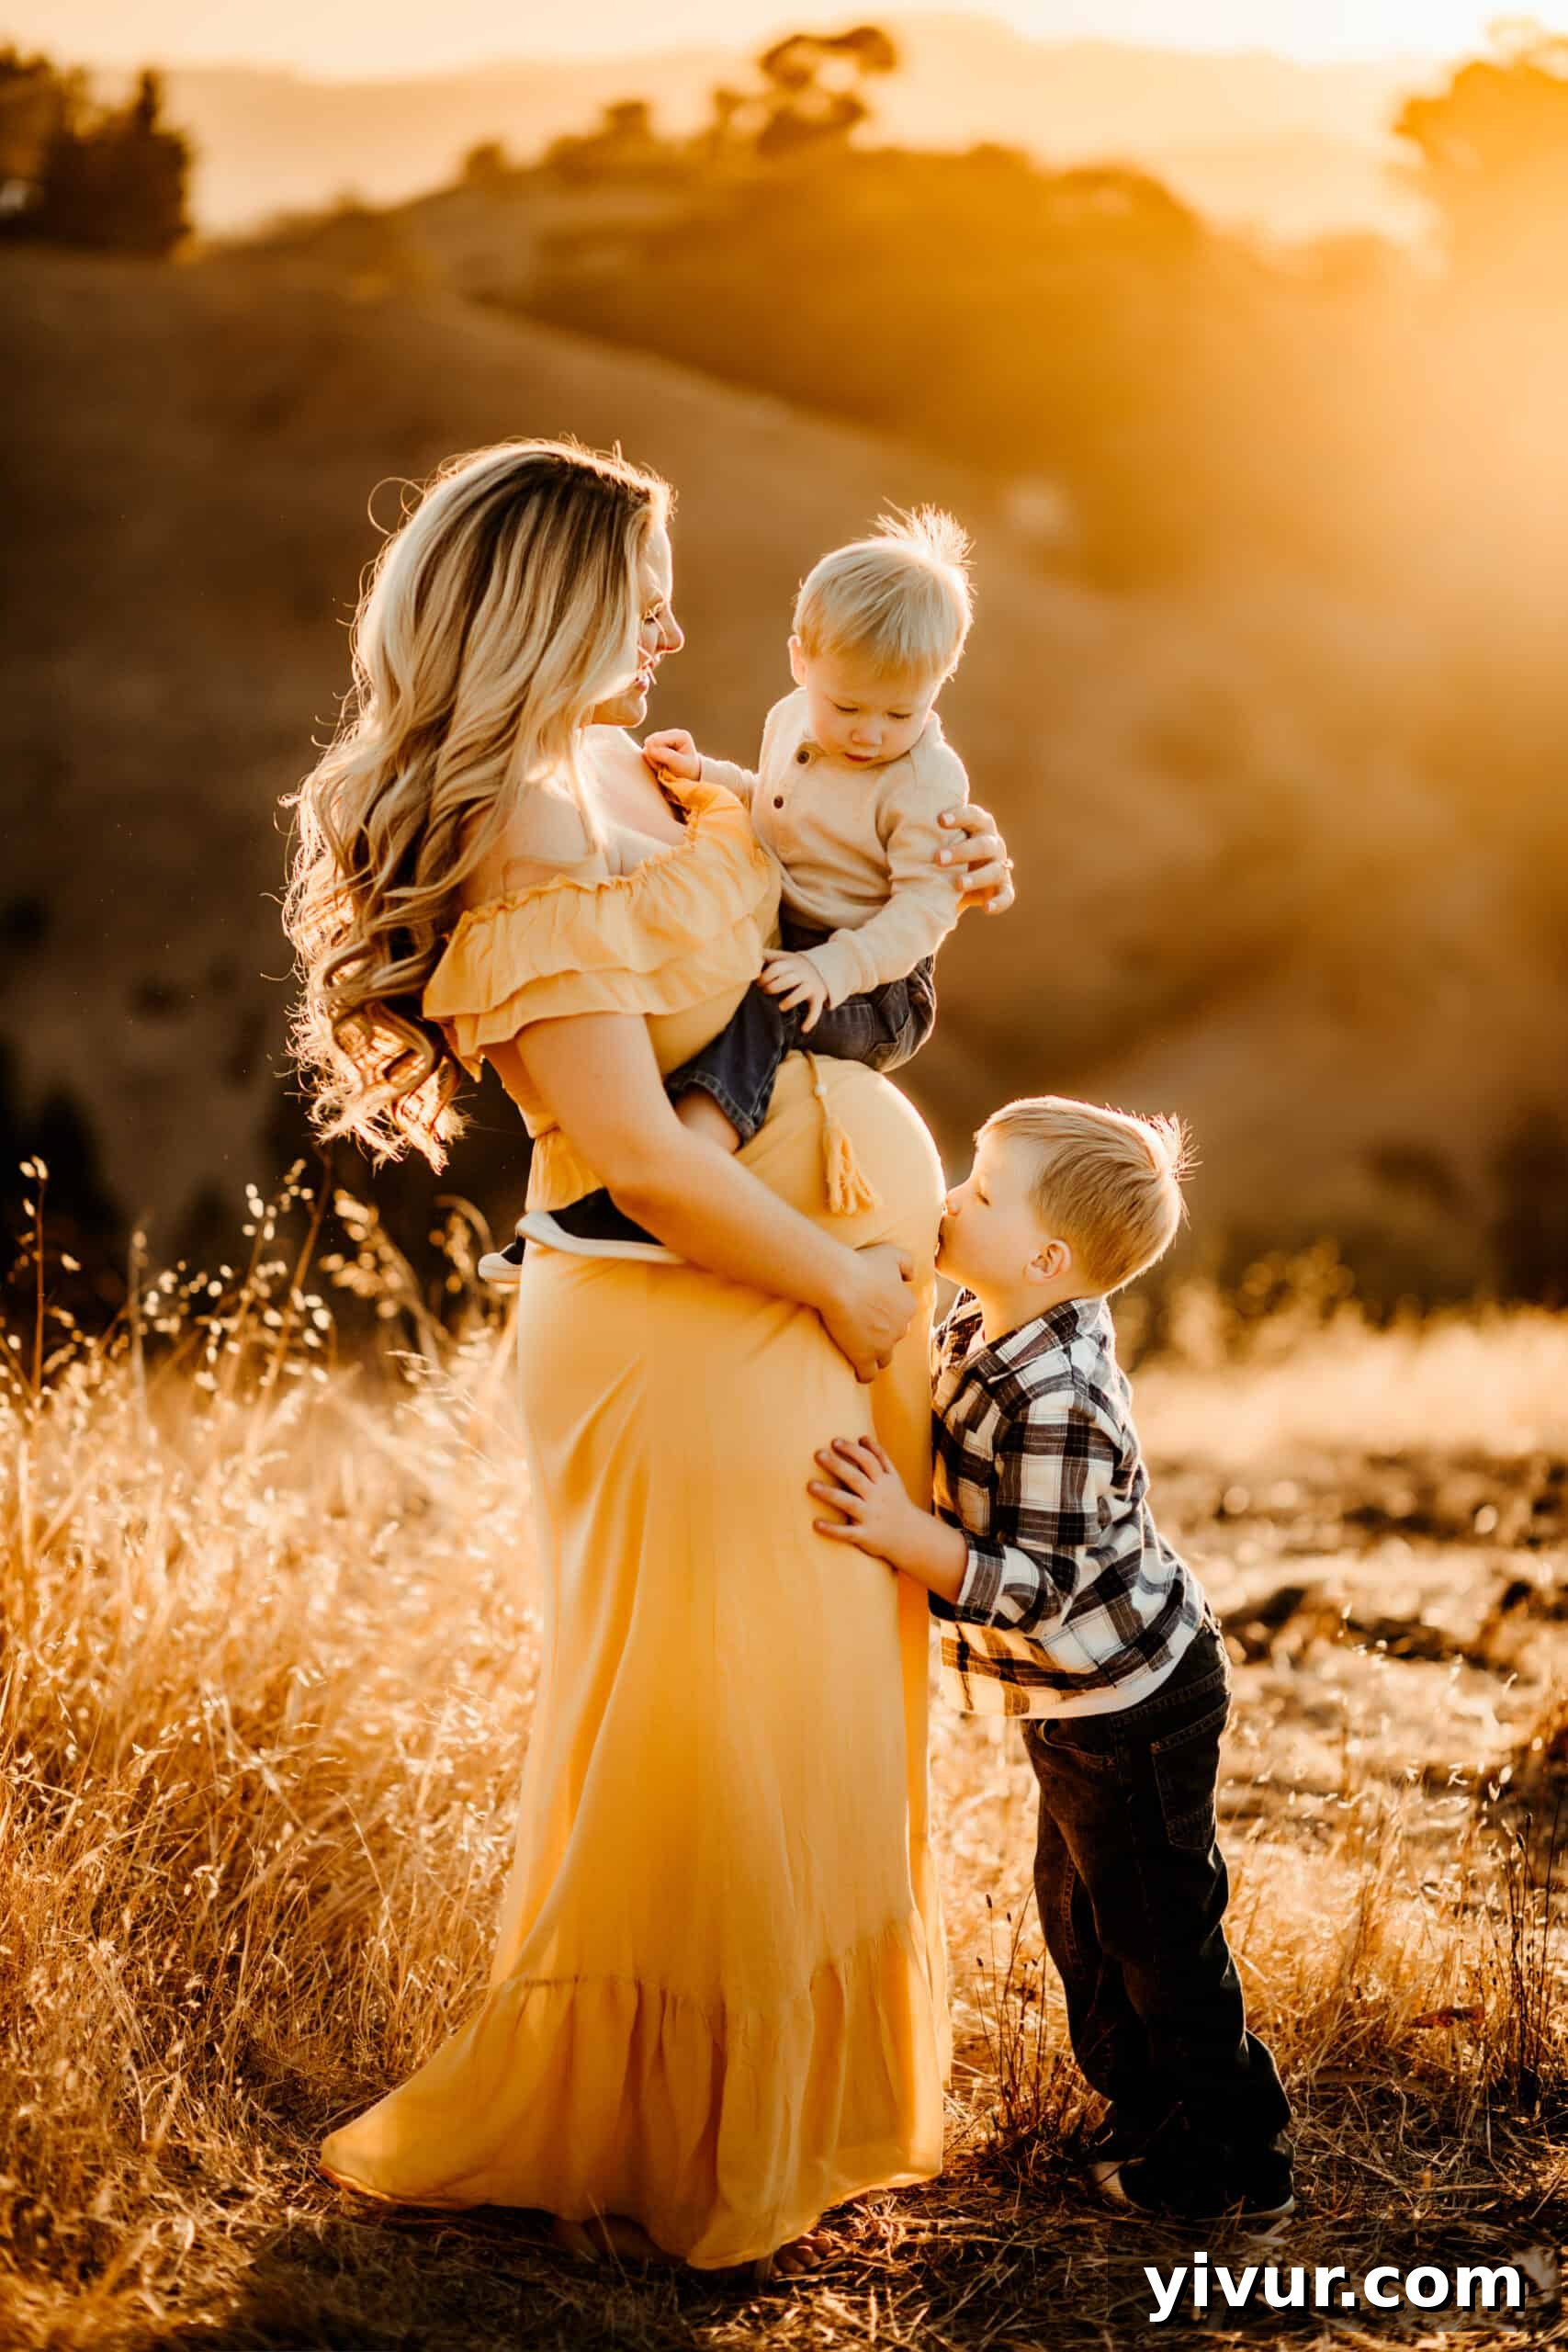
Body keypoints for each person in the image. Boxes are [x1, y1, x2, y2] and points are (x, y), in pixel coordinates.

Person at [282, 438, 1015, 2275]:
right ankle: (672, 2140)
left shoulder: (626, 767)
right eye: (645, 592)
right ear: (553, 611)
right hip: (686, 1328)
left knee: (818, 1698)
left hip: (811, 1295)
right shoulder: (509, 833)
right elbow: (651, 1155)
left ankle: (802, 2105)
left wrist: (933, 872)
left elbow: (781, 965)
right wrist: (851, 1294)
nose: (684, 626)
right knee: (710, 1726)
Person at [807, 1096, 1295, 2228]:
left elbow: (1036, 1584)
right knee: (1079, 1918)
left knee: (1157, 1927)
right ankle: (1148, 2110)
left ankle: (1232, 2157)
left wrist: (901, 1534)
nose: (949, 1201)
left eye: (979, 1192)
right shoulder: (990, 1320)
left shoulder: (1061, 1393)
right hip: (1078, 1698)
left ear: (1046, 1254)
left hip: (1137, 1698)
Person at [482, 505, 975, 1276]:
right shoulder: (794, 721)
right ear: (800, 662)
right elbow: (782, 809)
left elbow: (923, 911)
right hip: (805, 945)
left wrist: (830, 970)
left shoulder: (925, 781)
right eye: (847, 708)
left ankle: (671, 1174)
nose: (869, 736)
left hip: (877, 983)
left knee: (762, 1004)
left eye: (901, 714)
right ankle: (610, 1194)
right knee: (712, 1002)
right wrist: (709, 778)